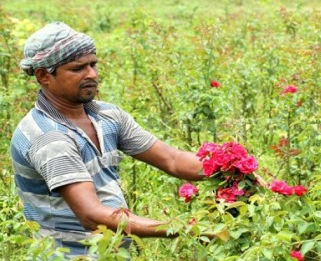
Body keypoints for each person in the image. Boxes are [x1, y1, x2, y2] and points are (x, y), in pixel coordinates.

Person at [10, 22, 205, 258]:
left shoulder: (106, 116)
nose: (91, 74)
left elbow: (173, 160)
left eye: (93, 64)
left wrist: (229, 167)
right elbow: (91, 215)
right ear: (44, 75)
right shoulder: (49, 138)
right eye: (78, 68)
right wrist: (184, 229)